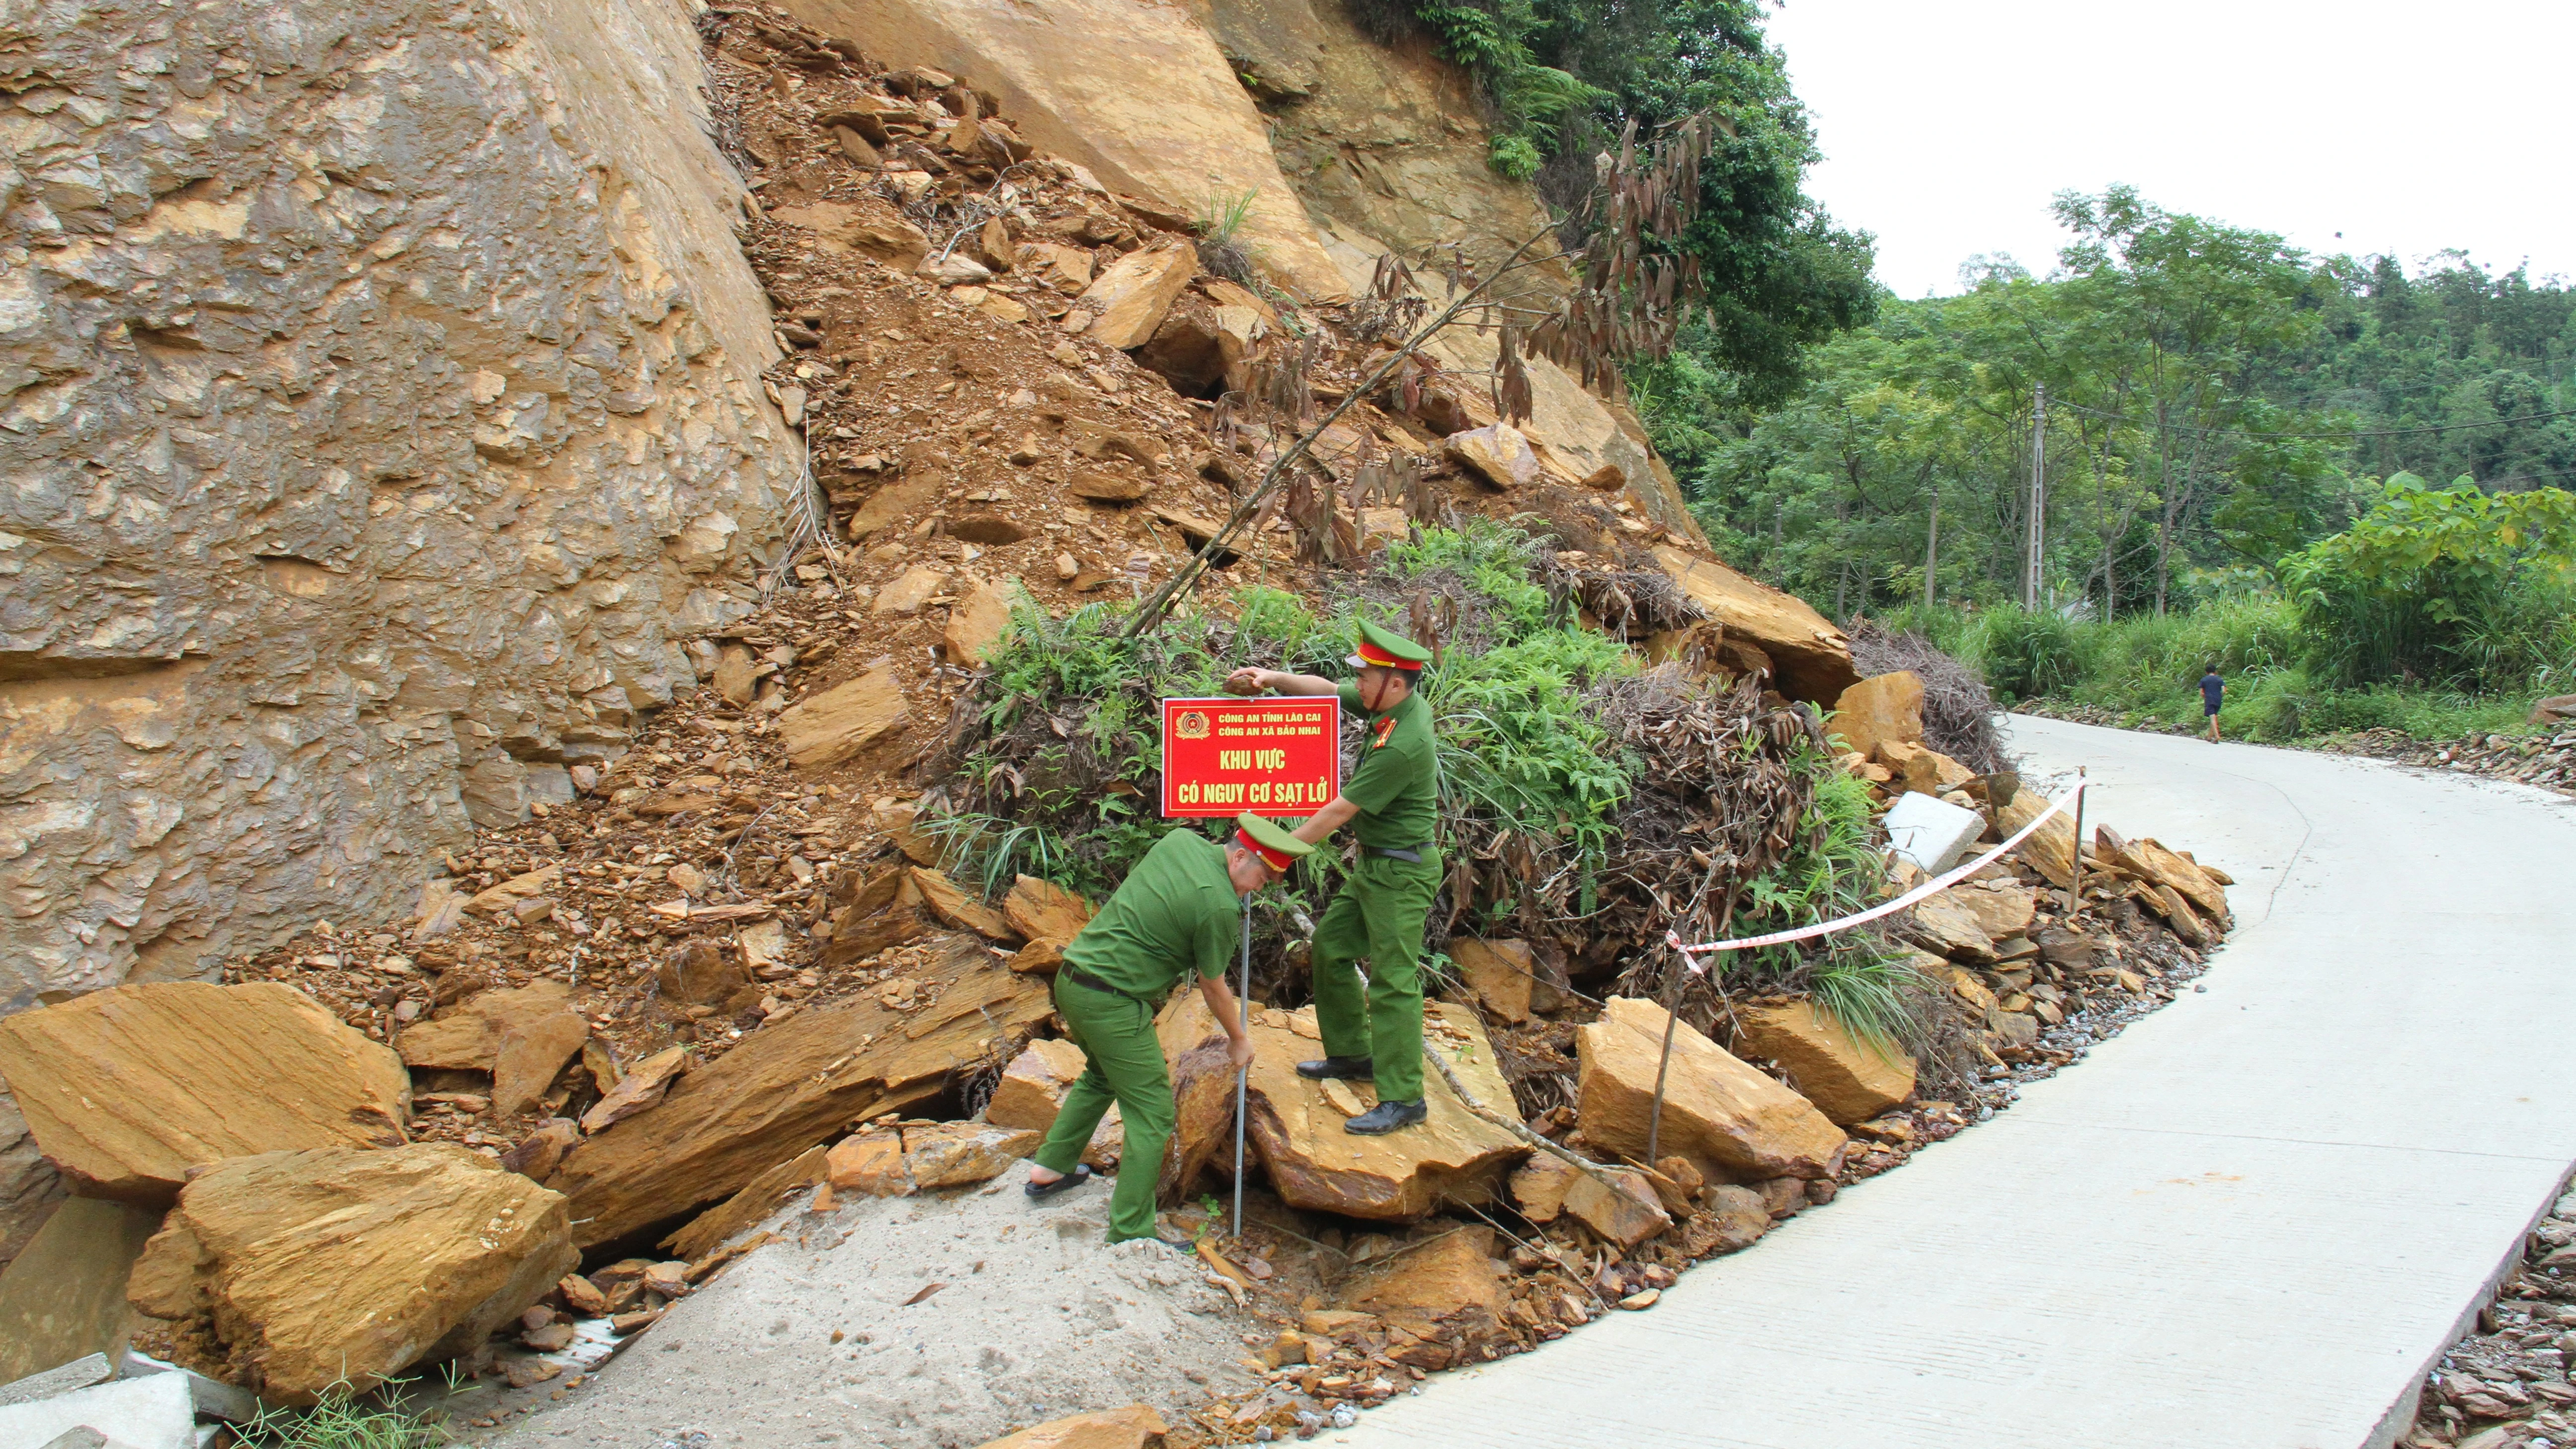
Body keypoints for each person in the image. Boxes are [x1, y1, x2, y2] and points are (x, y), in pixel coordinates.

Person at [1023, 811, 1312, 1245]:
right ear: (1238, 860)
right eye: (1262, 877)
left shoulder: (1180, 842)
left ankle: (1050, 1168)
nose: (1260, 889)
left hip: (1073, 980)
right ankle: (1131, 1231)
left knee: (1102, 1076)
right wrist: (1238, 1039)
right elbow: (1214, 987)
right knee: (1153, 1116)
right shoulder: (1219, 906)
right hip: (1113, 1002)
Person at [1224, 619, 1440, 1135]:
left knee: (1393, 981)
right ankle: (1353, 1056)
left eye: (1366, 676)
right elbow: (1324, 691)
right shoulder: (1389, 705)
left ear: (1394, 682)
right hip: (1377, 864)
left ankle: (1405, 1097)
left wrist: (1270, 857)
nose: (1357, 683)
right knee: (1331, 947)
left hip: (1402, 873)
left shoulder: (1403, 744)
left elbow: (1335, 814)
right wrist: (1271, 677)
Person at [2200, 663, 2225, 742]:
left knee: (2212, 718)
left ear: (2206, 672)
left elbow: (2201, 693)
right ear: (2215, 671)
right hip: (2218, 700)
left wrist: (2206, 697)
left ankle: (2217, 736)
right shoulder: (2220, 679)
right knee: (2214, 717)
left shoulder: (2204, 680)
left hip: (2209, 700)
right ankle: (2209, 737)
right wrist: (2220, 696)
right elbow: (2224, 690)